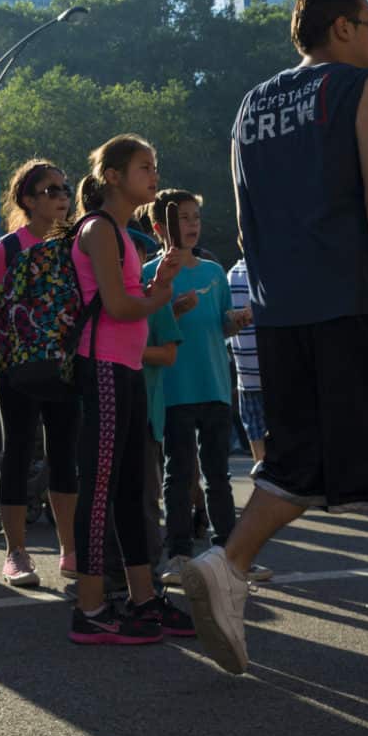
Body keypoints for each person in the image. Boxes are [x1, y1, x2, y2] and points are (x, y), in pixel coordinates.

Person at [182, 0, 368, 688]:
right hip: (353, 301)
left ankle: (226, 564)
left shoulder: (251, 105)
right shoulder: (365, 88)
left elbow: (247, 223)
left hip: (283, 310)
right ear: (342, 29)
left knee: (299, 462)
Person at [64, 135, 196, 646]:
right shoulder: (99, 229)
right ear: (113, 176)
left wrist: (158, 282)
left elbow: (126, 298)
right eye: (144, 167)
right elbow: (119, 308)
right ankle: (91, 608)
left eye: (155, 166)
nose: (154, 175)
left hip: (126, 370)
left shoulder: (122, 234)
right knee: (99, 488)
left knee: (131, 487)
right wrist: (159, 294)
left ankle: (144, 598)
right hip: (102, 368)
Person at [0, 158, 79, 587]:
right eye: (51, 190)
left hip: (67, 365)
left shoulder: (79, 245)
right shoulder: (8, 248)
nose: (62, 198)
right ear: (28, 200)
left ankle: (70, 551)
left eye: (65, 189)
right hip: (16, 367)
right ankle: (16, 554)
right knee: (17, 451)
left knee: (64, 454)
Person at [146, 190, 249, 578]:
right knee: (178, 472)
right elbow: (146, 330)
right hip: (174, 390)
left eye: (196, 218)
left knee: (219, 473)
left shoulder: (213, 272)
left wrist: (235, 321)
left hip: (216, 386)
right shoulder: (150, 275)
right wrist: (172, 309)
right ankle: (178, 552)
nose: (191, 225)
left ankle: (229, 552)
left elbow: (220, 324)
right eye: (182, 219)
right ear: (160, 228)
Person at [225, 258, 265, 462]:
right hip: (248, 381)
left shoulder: (276, 266)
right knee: (262, 461)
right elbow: (224, 323)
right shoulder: (231, 276)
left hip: (269, 378)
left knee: (268, 460)